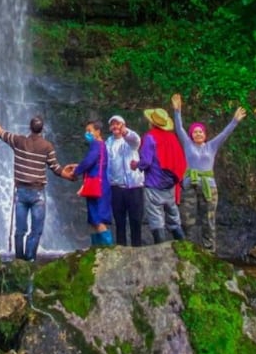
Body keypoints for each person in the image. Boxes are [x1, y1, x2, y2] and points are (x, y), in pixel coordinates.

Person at [0, 105, 71, 262]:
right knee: (36, 230)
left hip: (21, 192)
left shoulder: (19, 141)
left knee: (20, 230)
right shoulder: (47, 147)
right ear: (42, 129)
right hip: (37, 193)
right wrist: (70, 175)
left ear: (30, 128)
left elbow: (1, 133)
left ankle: (19, 260)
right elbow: (56, 169)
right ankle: (30, 258)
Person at [171, 93, 247, 253]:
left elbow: (225, 134)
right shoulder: (187, 144)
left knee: (208, 220)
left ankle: (209, 251)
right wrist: (177, 111)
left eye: (201, 132)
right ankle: (189, 250)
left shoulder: (211, 146)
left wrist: (235, 121)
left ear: (205, 135)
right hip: (190, 185)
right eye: (195, 132)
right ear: (191, 135)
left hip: (208, 187)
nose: (198, 134)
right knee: (188, 219)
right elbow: (179, 128)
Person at [135, 107, 187, 243]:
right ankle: (184, 247)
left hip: (153, 183)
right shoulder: (172, 138)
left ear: (151, 122)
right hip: (169, 184)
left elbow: (146, 161)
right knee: (174, 218)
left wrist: (136, 165)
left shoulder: (150, 137)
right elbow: (180, 160)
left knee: (156, 218)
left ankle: (161, 251)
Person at [63, 120, 114, 247]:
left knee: (97, 218)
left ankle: (108, 249)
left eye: (89, 131)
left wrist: (76, 172)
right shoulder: (102, 145)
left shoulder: (96, 145)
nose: (87, 134)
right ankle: (98, 248)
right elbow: (96, 163)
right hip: (101, 184)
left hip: (96, 185)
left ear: (98, 132)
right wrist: (78, 166)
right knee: (94, 219)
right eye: (86, 131)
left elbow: (89, 161)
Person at [104, 114, 145, 246]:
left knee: (135, 220)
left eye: (118, 124)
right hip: (116, 187)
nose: (115, 126)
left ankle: (137, 249)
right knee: (119, 221)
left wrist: (125, 132)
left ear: (124, 125)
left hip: (134, 186)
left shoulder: (131, 141)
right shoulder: (107, 143)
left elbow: (136, 139)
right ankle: (121, 249)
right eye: (113, 124)